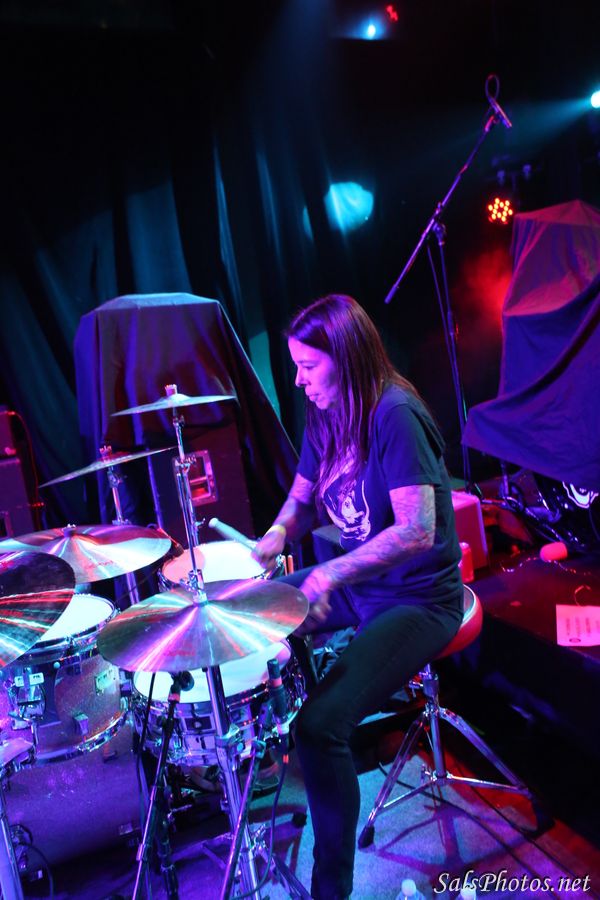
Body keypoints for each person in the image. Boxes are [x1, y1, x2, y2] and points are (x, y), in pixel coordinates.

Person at [252, 294, 463, 900]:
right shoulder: (326, 413)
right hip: (363, 587)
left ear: (344, 358)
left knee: (320, 727)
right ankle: (297, 715)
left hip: (420, 599)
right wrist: (277, 533)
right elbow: (301, 496)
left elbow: (417, 530)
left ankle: (330, 889)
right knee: (249, 606)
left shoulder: (395, 413)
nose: (299, 381)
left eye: (307, 367)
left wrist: (329, 576)